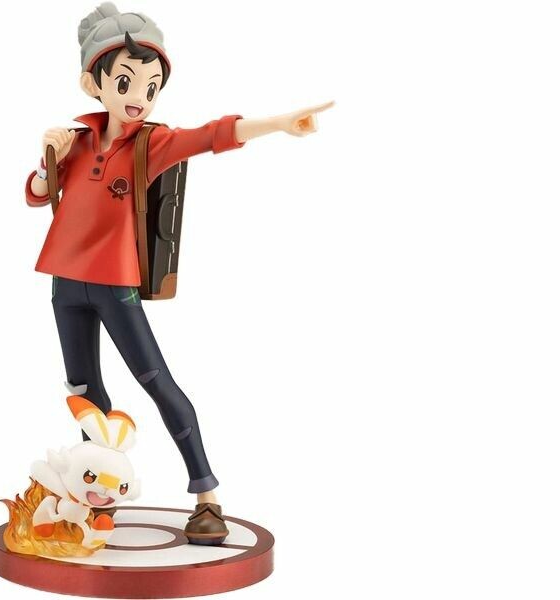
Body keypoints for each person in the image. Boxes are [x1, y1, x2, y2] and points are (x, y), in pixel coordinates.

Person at [25, 2, 333, 545]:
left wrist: (279, 123)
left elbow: (213, 135)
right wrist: (49, 155)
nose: (139, 96)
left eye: (151, 85)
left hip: (115, 283)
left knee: (155, 381)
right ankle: (96, 499)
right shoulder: (78, 141)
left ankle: (206, 494)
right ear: (92, 84)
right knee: (84, 390)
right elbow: (35, 194)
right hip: (65, 282)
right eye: (125, 81)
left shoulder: (153, 143)